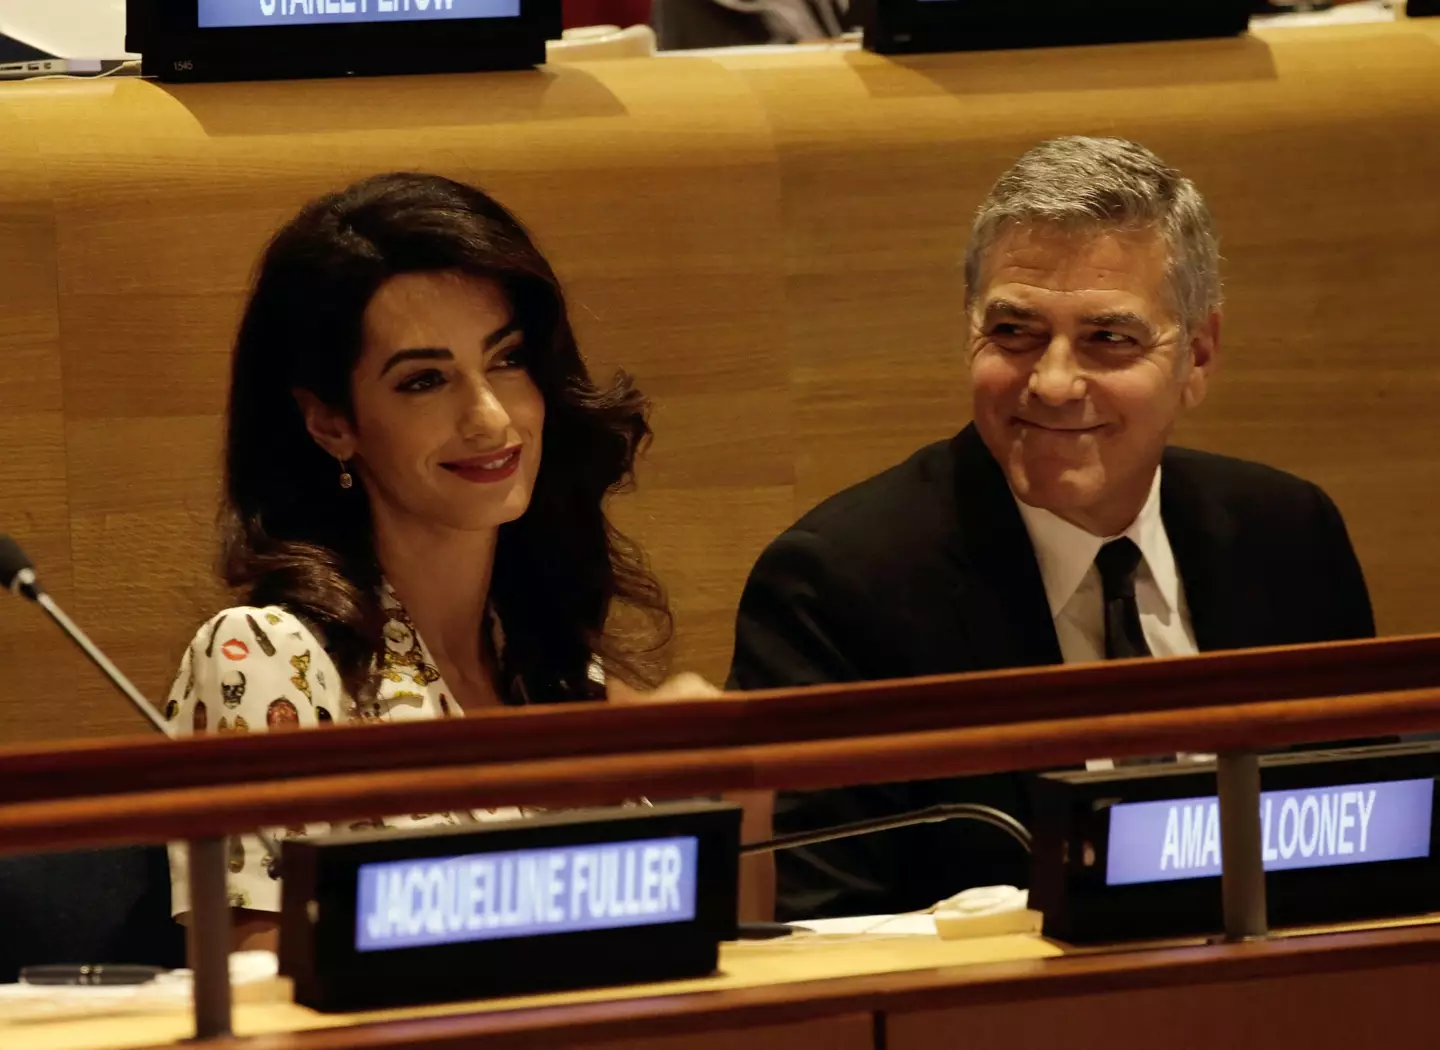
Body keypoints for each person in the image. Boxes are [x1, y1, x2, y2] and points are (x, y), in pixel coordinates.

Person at [728, 136, 1375, 921]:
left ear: (1197, 358)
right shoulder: (838, 586)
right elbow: (822, 929)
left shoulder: (1289, 536)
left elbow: (1370, 844)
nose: (1055, 381)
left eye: (1109, 339)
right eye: (1015, 333)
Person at [164, 172, 717, 949]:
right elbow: (263, 998)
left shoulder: (564, 678)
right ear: (329, 421)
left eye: (507, 359)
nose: (491, 418)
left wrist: (728, 777)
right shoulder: (266, 658)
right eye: (425, 380)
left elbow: (728, 952)